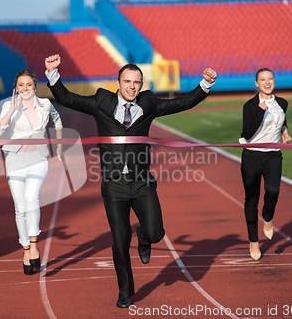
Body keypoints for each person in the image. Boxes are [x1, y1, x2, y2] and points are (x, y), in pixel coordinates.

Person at [44, 54, 217, 308]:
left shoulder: (148, 104)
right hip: (114, 185)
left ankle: (144, 237)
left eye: (136, 82)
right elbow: (68, 98)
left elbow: (181, 103)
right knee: (120, 240)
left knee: (156, 232)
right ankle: (126, 291)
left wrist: (204, 85)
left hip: (142, 181)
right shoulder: (101, 101)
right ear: (118, 83)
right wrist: (52, 74)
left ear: (141, 85)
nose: (131, 86)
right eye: (127, 81)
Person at [0, 69, 63, 275]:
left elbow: (58, 121)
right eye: (21, 85)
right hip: (14, 159)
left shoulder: (46, 104)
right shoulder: (9, 105)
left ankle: (33, 244)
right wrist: (11, 110)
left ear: (35, 86)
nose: (25, 89)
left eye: (28, 85)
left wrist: (58, 147)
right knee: (20, 207)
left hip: (38, 159)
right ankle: (25, 248)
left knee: (31, 197)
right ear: (16, 88)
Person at [239, 68, 292, 260]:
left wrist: (285, 132)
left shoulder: (282, 103)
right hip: (252, 157)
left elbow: (282, 119)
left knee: (273, 191)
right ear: (256, 83)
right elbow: (247, 134)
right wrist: (260, 112)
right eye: (263, 79)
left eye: (270, 79)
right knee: (251, 200)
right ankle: (254, 242)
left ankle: (268, 218)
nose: (267, 82)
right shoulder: (250, 106)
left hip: (272, 155)